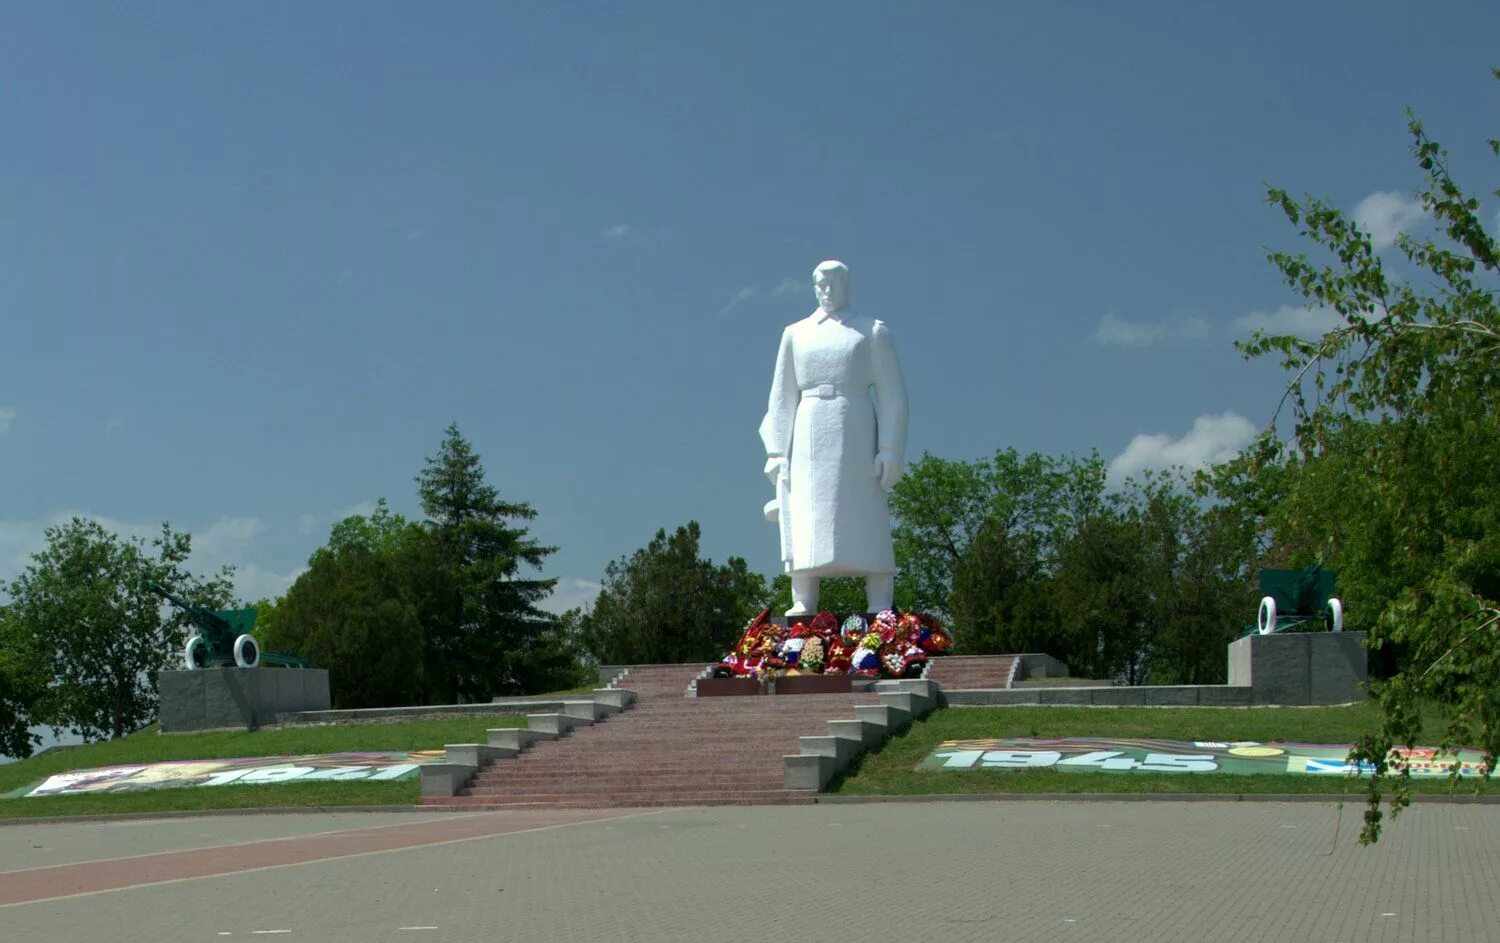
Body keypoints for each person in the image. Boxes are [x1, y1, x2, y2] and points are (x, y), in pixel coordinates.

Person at [759, 260, 908, 616]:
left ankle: (880, 600)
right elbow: (781, 396)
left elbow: (892, 393)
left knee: (865, 510)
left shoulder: (871, 330)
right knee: (807, 513)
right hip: (808, 427)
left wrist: (891, 448)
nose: (827, 291)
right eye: (821, 284)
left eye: (834, 284)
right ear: (813, 287)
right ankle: (804, 597)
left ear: (847, 286)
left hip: (855, 423)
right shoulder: (796, 333)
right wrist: (777, 451)